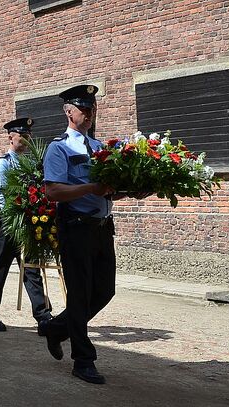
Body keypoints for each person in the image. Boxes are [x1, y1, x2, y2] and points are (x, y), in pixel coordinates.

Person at [40, 84, 146, 385]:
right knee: (80, 293)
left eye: (91, 109)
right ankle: (83, 360)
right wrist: (90, 189)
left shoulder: (100, 148)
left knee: (104, 290)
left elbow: (110, 190)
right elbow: (53, 191)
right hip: (75, 227)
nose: (88, 114)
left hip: (101, 227)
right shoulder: (58, 148)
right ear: (68, 111)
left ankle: (55, 329)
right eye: (82, 108)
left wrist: (133, 191)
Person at [0, 117, 52, 333]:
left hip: (28, 221)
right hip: (7, 223)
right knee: (1, 268)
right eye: (23, 135)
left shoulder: (30, 164)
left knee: (31, 268)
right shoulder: (3, 163)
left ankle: (43, 316)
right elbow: (8, 194)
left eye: (29, 135)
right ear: (11, 137)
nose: (27, 139)